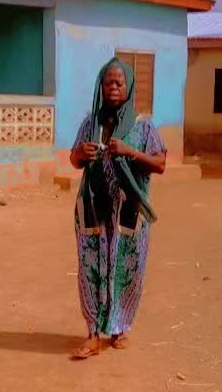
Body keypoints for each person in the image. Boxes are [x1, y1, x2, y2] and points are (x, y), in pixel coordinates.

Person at [69, 58, 166, 359]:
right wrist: (80, 153)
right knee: (91, 268)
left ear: (129, 87)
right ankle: (93, 333)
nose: (113, 87)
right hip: (93, 209)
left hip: (129, 212)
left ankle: (120, 329)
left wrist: (129, 152)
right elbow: (74, 160)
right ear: (101, 86)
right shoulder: (90, 124)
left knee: (127, 269)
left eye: (119, 83)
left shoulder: (143, 126)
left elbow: (160, 163)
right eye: (108, 82)